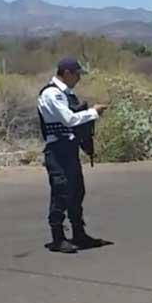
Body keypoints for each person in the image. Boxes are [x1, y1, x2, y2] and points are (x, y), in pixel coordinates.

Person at [37, 57, 108, 253]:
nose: (79, 78)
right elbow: (69, 119)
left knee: (77, 191)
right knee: (61, 192)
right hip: (57, 150)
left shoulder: (67, 94)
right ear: (67, 73)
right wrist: (93, 113)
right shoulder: (52, 93)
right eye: (77, 74)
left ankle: (79, 233)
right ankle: (58, 238)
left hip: (69, 149)